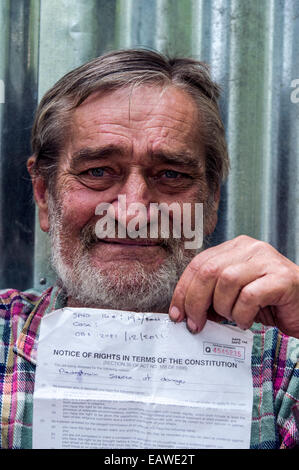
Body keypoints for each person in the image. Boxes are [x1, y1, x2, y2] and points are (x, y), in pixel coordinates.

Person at [0, 49, 298, 449]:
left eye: (171, 175)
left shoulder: (283, 364)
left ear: (210, 204)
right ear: (43, 196)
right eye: (98, 172)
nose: (133, 213)